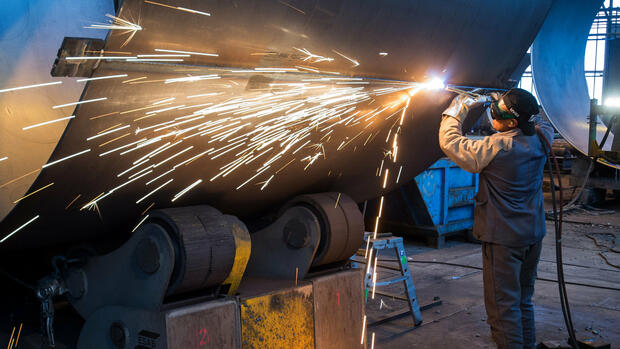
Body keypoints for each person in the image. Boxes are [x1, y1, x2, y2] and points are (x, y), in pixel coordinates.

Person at [438, 88, 554, 349]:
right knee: (523, 301)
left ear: (512, 123)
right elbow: (539, 121)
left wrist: (459, 108)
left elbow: (451, 143)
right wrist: (504, 102)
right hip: (532, 236)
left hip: (503, 240)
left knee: (503, 310)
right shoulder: (542, 138)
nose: (492, 117)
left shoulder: (497, 147)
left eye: (497, 115)